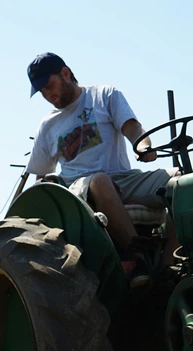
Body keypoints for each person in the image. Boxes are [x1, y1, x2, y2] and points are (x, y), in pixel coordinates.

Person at [25, 52, 178, 288]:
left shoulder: (104, 95)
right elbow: (42, 178)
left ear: (65, 73)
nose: (47, 94)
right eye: (42, 91)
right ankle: (139, 260)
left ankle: (170, 269)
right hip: (79, 193)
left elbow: (134, 129)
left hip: (123, 180)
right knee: (99, 181)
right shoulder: (48, 125)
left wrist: (144, 146)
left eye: (49, 86)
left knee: (182, 183)